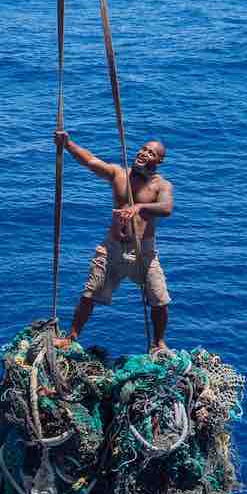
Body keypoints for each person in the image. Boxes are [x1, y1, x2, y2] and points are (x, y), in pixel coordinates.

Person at [55, 130, 174, 353]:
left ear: (159, 160)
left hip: (143, 254)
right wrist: (68, 144)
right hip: (112, 248)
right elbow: (90, 161)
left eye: (151, 152)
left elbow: (166, 208)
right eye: (143, 149)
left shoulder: (162, 186)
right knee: (89, 294)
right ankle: (71, 337)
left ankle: (159, 343)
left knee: (159, 299)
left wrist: (139, 207)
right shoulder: (119, 174)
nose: (144, 153)